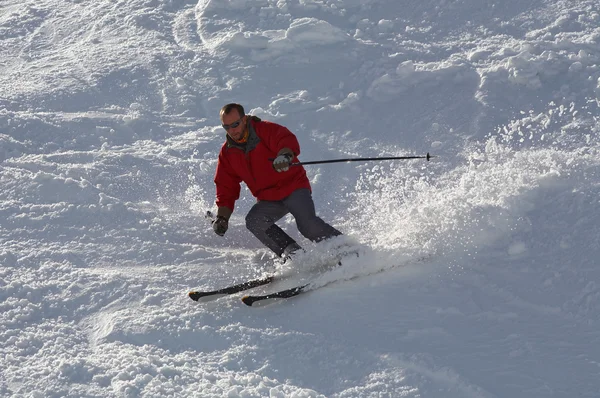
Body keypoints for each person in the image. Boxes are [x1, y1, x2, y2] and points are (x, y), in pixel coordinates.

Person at [211, 103, 342, 260]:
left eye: (235, 124)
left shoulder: (264, 130)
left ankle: (346, 249)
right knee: (254, 221)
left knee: (307, 225)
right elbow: (226, 186)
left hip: (293, 187)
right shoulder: (228, 153)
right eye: (227, 127)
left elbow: (285, 139)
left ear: (244, 119)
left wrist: (284, 156)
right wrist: (223, 217)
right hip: (269, 198)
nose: (232, 130)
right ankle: (295, 256)